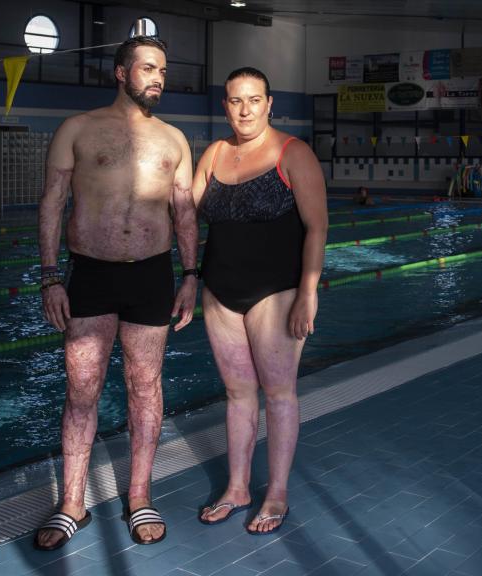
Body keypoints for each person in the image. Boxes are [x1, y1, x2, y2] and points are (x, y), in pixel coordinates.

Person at [34, 36, 198, 550]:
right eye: (148, 68)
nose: (158, 78)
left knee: (145, 387)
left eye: (164, 71)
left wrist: (191, 275)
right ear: (120, 73)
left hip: (151, 275)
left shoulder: (174, 140)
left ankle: (140, 495)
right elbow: (52, 203)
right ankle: (72, 503)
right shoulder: (77, 130)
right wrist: (49, 275)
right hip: (91, 274)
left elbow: (185, 212)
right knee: (81, 389)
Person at [193, 67, 327, 535]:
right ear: (225, 105)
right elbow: (187, 216)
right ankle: (237, 487)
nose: (245, 109)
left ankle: (277, 492)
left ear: (270, 103)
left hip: (278, 291)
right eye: (235, 100)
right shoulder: (213, 154)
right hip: (219, 292)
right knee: (236, 394)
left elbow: (317, 228)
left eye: (254, 99)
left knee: (279, 393)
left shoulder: (293, 153)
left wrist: (307, 294)